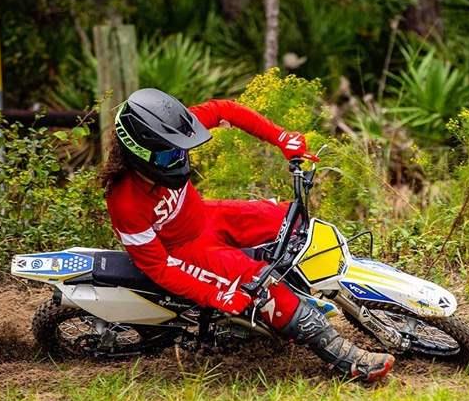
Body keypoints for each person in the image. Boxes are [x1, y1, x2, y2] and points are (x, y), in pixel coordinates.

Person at [98, 88, 394, 382]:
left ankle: (344, 283)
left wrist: (280, 137)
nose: (179, 158)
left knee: (291, 220)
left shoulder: (171, 131)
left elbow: (225, 110)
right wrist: (217, 294)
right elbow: (157, 266)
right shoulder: (124, 202)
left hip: (207, 217)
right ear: (140, 155)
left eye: (181, 150)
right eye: (169, 156)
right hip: (186, 252)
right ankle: (347, 359)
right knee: (263, 288)